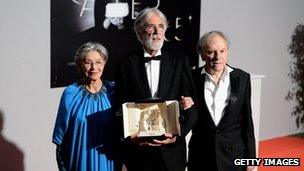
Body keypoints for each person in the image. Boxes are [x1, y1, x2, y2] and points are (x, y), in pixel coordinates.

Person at [114, 8, 197, 171]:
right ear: (139, 31)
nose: (157, 31)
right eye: (151, 26)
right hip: (139, 154)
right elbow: (119, 107)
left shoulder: (180, 61)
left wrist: (177, 137)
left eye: (161, 26)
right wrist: (129, 137)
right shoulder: (125, 64)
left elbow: (192, 108)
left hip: (171, 154)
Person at [184, 31, 256, 171]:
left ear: (227, 51)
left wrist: (251, 157)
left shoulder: (242, 78)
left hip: (234, 155)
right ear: (202, 54)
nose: (218, 57)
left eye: (222, 51)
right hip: (201, 155)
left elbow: (247, 121)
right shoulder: (191, 79)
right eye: (211, 52)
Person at [52, 42, 116, 171]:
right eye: (88, 62)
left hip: (109, 163)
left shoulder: (114, 91)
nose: (94, 67)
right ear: (79, 65)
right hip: (78, 163)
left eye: (98, 62)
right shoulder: (70, 93)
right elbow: (60, 141)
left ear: (104, 63)